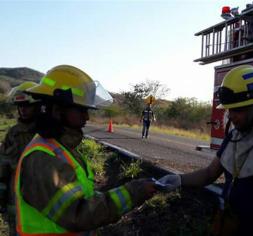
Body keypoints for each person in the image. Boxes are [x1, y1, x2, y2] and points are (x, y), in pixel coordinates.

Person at [159, 65, 253, 236]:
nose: (230, 115)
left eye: (238, 109)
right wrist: (177, 180)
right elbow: (209, 173)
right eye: (229, 108)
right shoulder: (234, 137)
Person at [14, 65, 156, 235]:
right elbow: (79, 214)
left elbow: (84, 197)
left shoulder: (60, 148)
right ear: (58, 110)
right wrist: (133, 192)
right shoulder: (42, 158)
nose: (87, 117)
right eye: (81, 110)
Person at [0, 81, 41, 236]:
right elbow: (3, 164)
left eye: (27, 105)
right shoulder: (13, 133)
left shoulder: (45, 132)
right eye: (19, 106)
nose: (22, 109)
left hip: (39, 199)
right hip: (14, 198)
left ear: (37, 106)